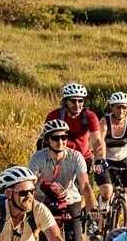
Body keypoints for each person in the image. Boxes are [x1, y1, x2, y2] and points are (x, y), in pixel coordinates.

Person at [28, 119, 97, 241]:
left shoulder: (75, 156)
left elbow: (85, 185)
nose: (61, 142)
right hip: (44, 202)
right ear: (47, 140)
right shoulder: (37, 158)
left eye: (64, 137)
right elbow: (31, 184)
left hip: (70, 201)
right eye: (56, 138)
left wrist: (92, 207)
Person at [45, 82, 109, 216]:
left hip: (83, 158)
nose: (77, 104)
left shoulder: (90, 116)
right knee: (57, 191)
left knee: (84, 192)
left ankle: (84, 220)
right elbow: (45, 139)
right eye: (73, 101)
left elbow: (97, 141)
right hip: (61, 159)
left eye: (81, 100)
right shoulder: (54, 116)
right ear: (65, 101)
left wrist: (99, 160)